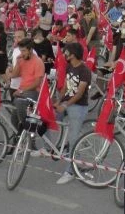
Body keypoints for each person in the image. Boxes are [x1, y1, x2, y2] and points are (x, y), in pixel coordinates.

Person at [53, 42, 91, 185]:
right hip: (67, 103)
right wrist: (59, 101)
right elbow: (66, 87)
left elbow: (80, 94)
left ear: (73, 54)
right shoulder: (70, 67)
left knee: (73, 139)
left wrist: (65, 105)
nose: (64, 54)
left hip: (78, 106)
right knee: (48, 119)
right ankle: (49, 147)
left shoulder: (84, 70)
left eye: (66, 52)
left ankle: (70, 171)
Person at [6, 38, 45, 132]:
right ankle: (21, 135)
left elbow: (37, 83)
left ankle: (29, 131)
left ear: (30, 50)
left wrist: (22, 91)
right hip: (23, 91)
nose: (22, 53)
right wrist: (16, 64)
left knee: (20, 103)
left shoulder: (38, 62)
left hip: (33, 92)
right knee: (14, 119)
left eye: (24, 51)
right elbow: (15, 75)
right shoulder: (22, 60)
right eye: (21, 50)